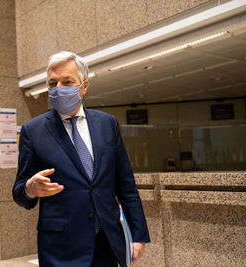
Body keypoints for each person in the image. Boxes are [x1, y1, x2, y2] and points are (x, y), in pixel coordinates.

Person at [13, 51, 150, 267]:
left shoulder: (107, 124)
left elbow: (126, 185)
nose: (58, 89)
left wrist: (138, 233)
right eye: (52, 83)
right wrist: (30, 188)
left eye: (67, 82)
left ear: (84, 86)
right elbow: (19, 191)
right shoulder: (33, 130)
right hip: (61, 248)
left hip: (107, 240)